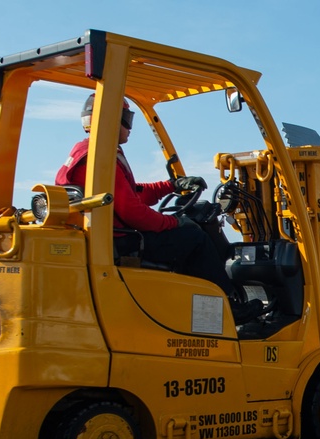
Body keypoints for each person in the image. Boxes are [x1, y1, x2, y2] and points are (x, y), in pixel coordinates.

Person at [56, 94, 263, 324]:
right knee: (195, 237)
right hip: (121, 240)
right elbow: (131, 211)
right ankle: (229, 308)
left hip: (108, 236)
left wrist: (171, 185)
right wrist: (173, 222)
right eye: (126, 117)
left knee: (184, 232)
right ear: (111, 119)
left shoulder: (88, 153)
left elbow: (134, 193)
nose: (129, 126)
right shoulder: (101, 157)